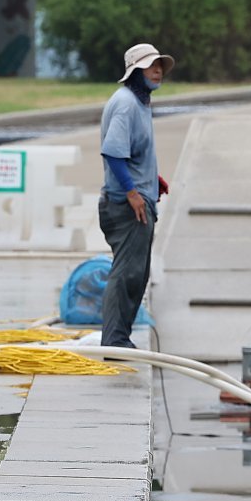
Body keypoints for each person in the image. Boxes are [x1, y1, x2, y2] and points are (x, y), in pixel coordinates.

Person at [98, 42, 175, 348]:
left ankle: (120, 338)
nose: (157, 70)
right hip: (126, 207)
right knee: (127, 274)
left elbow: (131, 153)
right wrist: (132, 191)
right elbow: (113, 153)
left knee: (137, 274)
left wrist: (152, 180)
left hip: (140, 199)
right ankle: (115, 341)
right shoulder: (127, 103)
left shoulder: (140, 103)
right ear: (134, 71)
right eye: (150, 65)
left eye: (160, 65)